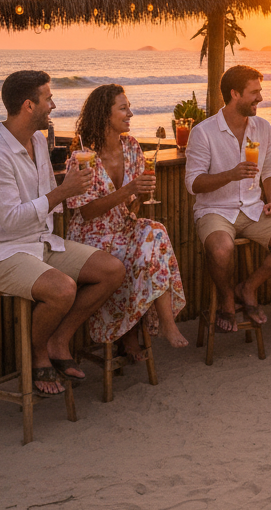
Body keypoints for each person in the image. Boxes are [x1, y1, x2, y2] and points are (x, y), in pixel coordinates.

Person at [0, 71, 124, 397]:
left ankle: (58, 338)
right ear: (28, 105)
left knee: (112, 270)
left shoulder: (39, 140)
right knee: (63, 290)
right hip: (2, 252)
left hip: (41, 243)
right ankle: (39, 353)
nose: (53, 105)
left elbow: (51, 199)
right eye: (48, 98)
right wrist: (64, 192)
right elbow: (10, 221)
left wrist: (77, 188)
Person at [184, 65, 271, 332]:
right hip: (215, 211)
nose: (260, 98)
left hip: (254, 210)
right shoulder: (203, 132)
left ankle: (248, 287)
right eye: (254, 92)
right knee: (220, 249)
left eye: (260, 91)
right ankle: (228, 301)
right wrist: (230, 174)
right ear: (234, 93)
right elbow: (193, 184)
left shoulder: (262, 128)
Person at [66, 85, 188, 358]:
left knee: (155, 234)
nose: (130, 113)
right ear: (104, 115)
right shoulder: (83, 157)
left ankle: (162, 325)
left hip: (122, 227)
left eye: (128, 107)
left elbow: (131, 206)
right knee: (139, 254)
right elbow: (85, 213)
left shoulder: (132, 147)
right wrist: (127, 190)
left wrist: (140, 193)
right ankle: (130, 335)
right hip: (90, 237)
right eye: (123, 108)